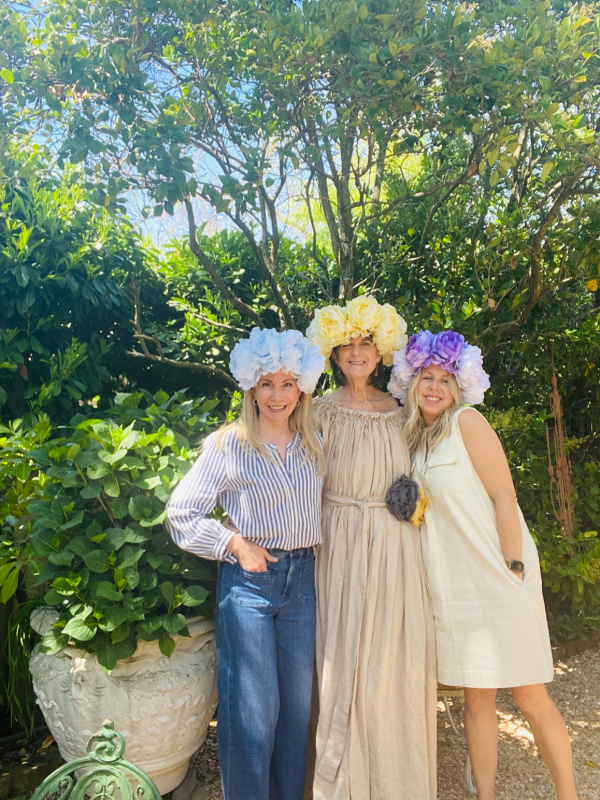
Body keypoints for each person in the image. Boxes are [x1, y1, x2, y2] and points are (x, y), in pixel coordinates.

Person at [389, 329, 579, 800]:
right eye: (425, 378)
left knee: (529, 696)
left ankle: (570, 793)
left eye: (444, 380)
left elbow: (503, 495)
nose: (434, 387)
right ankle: (486, 795)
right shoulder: (414, 441)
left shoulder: (467, 422)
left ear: (458, 387)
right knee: (477, 701)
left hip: (499, 575)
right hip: (454, 589)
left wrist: (513, 567)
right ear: (411, 384)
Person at [165, 327, 325, 800]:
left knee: (296, 713)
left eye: (287, 384)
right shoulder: (228, 444)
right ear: (250, 387)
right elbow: (180, 513)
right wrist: (234, 543)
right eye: (267, 385)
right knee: (253, 714)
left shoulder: (314, 438)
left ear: (302, 388)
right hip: (250, 586)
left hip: (304, 584)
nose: (277, 396)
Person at [306, 297, 437, 800]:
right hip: (336, 544)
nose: (357, 353)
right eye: (347, 346)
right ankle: (338, 782)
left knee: (387, 662)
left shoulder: (403, 413)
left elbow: (433, 469)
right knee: (338, 660)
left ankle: (390, 782)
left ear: (380, 353)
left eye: (366, 344)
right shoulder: (316, 411)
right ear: (335, 355)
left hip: (393, 548)